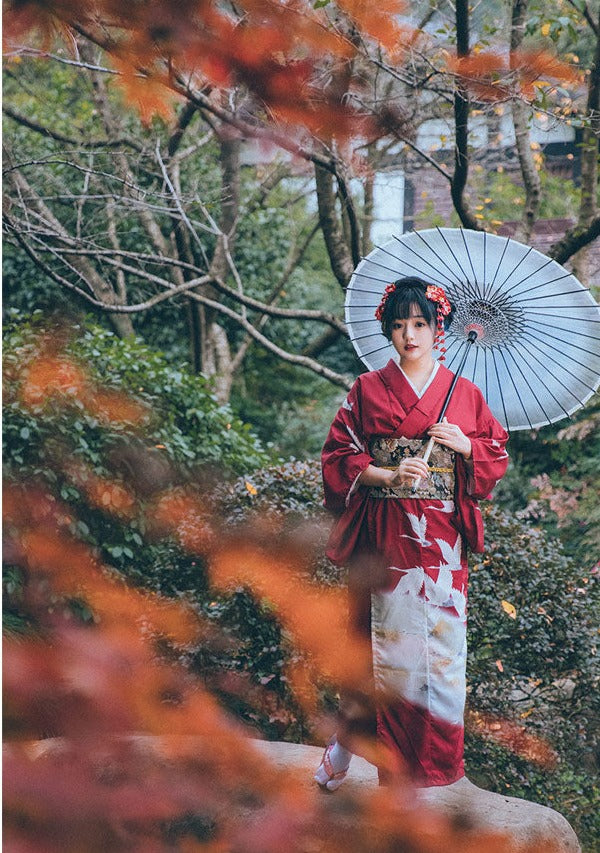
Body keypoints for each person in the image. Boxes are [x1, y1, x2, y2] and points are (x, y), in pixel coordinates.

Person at [314, 276, 509, 791]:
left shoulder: (464, 395)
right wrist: (388, 474)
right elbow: (338, 456)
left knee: (439, 655)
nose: (410, 335)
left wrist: (466, 446)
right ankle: (351, 744)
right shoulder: (367, 390)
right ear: (387, 331)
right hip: (385, 539)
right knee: (376, 649)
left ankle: (422, 768)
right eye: (399, 325)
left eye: (420, 324)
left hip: (443, 545)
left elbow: (497, 454)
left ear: (438, 328)